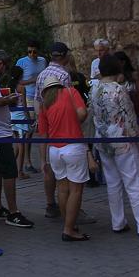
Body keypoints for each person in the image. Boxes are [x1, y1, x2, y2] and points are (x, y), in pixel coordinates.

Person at [89, 55, 139, 239]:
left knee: (113, 183)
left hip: (103, 140)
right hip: (122, 140)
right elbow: (130, 119)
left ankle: (118, 221)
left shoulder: (94, 89)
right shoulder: (118, 90)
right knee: (135, 183)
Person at [0, 51, 32, 228]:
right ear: (0, 63)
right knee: (9, 171)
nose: (4, 72)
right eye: (4, 67)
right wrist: (11, 98)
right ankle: (13, 211)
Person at [37, 73, 89, 241]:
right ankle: (69, 229)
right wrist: (74, 121)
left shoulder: (45, 104)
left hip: (54, 150)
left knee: (63, 188)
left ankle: (69, 224)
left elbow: (43, 134)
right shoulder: (71, 92)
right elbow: (83, 113)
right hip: (73, 145)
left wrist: (43, 160)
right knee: (76, 190)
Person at [36, 42, 72, 219]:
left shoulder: (42, 75)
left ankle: (50, 203)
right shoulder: (64, 75)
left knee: (48, 167)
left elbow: (38, 101)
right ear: (65, 56)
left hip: (46, 125)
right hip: (60, 127)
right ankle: (70, 208)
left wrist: (40, 121)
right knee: (65, 173)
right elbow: (67, 101)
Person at [15, 39, 46, 175]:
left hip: (41, 96)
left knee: (41, 128)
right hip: (28, 95)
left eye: (34, 52)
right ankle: (27, 162)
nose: (32, 54)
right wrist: (34, 80)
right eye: (29, 52)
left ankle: (42, 160)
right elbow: (17, 81)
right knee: (29, 129)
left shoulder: (42, 61)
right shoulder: (22, 62)